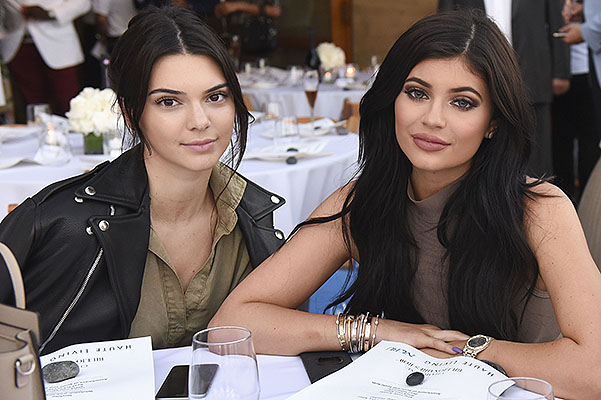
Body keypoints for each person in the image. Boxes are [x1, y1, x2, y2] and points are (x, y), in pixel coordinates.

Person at [211, 10, 601, 399]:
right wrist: (381, 332)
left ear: (493, 122)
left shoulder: (538, 209)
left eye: (462, 103)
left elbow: (593, 370)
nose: (432, 119)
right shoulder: (365, 200)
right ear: (392, 99)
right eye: (417, 93)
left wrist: (461, 351)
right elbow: (233, 323)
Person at [0, 6, 286, 355]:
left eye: (215, 97)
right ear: (131, 114)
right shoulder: (63, 226)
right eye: (169, 102)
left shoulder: (251, 216)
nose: (200, 121)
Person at [438, 0, 571, 178]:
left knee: (536, 154)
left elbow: (557, 18)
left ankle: (537, 201)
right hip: (476, 73)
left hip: (532, 71)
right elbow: (446, 20)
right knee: (484, 149)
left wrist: (561, 70)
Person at [1, 0, 91, 117]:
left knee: (68, 104)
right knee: (30, 108)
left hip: (58, 44)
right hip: (16, 44)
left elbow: (83, 3)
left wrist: (52, 13)